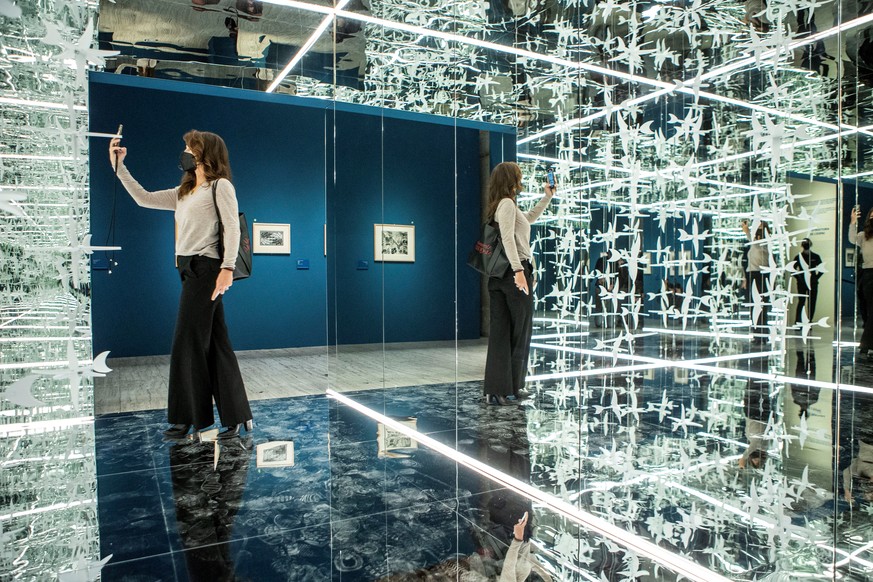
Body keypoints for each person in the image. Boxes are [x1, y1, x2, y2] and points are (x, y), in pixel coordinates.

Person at [109, 130, 253, 439]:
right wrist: (120, 167)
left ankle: (187, 419)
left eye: (189, 148)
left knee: (186, 342)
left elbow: (231, 228)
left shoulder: (220, 186)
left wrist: (227, 267)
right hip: (188, 269)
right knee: (216, 344)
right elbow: (143, 198)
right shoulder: (183, 191)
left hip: (207, 268)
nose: (184, 153)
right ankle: (238, 416)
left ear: (205, 154)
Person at [483, 162, 554, 406]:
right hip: (513, 274)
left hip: (499, 277)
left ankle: (501, 390)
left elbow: (529, 219)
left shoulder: (504, 205)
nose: (521, 179)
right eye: (519, 176)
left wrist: (546, 197)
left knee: (503, 333)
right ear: (511, 179)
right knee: (520, 331)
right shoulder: (507, 204)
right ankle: (508, 389)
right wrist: (519, 270)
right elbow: (507, 239)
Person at [742, 220, 771, 343]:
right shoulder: (756, 244)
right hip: (753, 275)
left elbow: (754, 242)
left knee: (760, 305)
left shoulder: (763, 243)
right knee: (756, 305)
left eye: (760, 228)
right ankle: (758, 331)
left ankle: (761, 332)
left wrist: (747, 230)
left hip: (760, 275)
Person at [850, 206, 873, 355]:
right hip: (869, 275)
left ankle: (866, 344)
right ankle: (866, 344)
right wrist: (852, 222)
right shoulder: (863, 235)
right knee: (871, 310)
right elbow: (852, 239)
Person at [791, 238, 823, 323]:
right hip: (803, 282)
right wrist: (799, 277)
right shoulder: (798, 257)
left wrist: (815, 278)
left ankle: (808, 321)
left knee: (811, 303)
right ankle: (798, 321)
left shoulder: (815, 256)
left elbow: (821, 269)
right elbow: (792, 269)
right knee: (802, 302)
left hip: (811, 282)